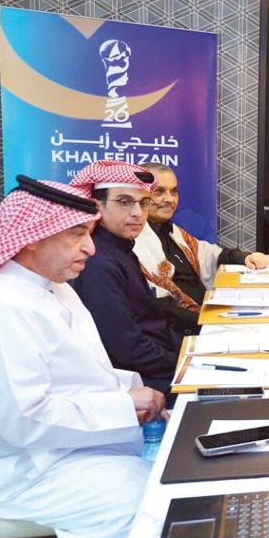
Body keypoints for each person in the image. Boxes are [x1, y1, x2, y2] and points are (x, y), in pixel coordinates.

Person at [0, 176, 165, 538]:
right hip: (34, 473)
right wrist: (124, 405)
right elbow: (23, 419)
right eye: (77, 234)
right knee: (161, 506)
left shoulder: (53, 287)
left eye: (89, 233)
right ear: (32, 236)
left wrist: (139, 401)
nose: (91, 248)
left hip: (78, 451)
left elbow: (86, 373)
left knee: (184, 476)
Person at [68, 160, 182, 396]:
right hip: (141, 383)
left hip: (160, 364)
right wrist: (185, 364)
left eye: (143, 203)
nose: (138, 213)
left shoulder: (121, 248)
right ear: (97, 206)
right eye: (124, 202)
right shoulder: (97, 262)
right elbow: (128, 348)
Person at [133, 163, 269, 335]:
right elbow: (161, 306)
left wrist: (244, 257)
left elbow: (209, 254)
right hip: (182, 331)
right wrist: (211, 324)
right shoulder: (134, 240)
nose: (169, 199)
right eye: (159, 191)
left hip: (209, 317)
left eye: (174, 191)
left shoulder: (172, 231)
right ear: (141, 196)